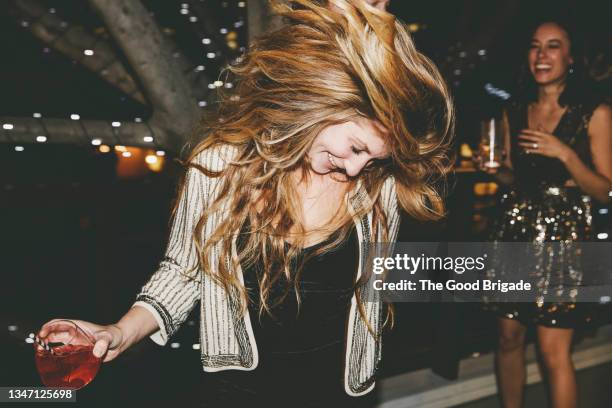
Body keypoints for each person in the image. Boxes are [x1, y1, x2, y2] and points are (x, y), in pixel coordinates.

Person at [37, 0, 454, 406]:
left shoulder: (377, 186)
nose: (355, 168)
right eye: (356, 147)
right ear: (317, 104)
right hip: (236, 394)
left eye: (374, 159)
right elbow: (184, 271)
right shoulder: (220, 164)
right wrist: (119, 331)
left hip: (340, 395)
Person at [479, 20, 611, 408]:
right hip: (514, 231)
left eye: (553, 47)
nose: (542, 55)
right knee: (508, 340)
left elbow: (606, 189)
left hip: (566, 240)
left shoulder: (596, 113)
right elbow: (513, 180)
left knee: (553, 353)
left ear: (570, 58)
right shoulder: (514, 109)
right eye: (535, 46)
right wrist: (497, 171)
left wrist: (565, 154)